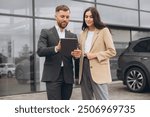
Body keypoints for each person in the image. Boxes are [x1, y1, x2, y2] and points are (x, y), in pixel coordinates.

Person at [72, 7, 116, 100]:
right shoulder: (82, 33)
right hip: (84, 68)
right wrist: (77, 54)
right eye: (86, 16)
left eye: (91, 17)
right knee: (86, 100)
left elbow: (112, 51)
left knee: (102, 100)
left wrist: (95, 55)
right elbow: (80, 51)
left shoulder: (104, 31)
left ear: (95, 18)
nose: (88, 19)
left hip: (98, 69)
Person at [37, 5, 77, 100]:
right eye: (62, 16)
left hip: (68, 76)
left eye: (67, 17)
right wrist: (56, 48)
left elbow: (76, 55)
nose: (65, 19)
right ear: (56, 16)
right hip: (52, 76)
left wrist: (77, 55)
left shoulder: (72, 35)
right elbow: (40, 51)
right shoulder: (46, 32)